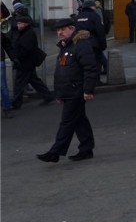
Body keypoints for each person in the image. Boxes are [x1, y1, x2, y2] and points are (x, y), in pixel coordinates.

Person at [36, 18, 99, 163]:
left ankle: (55, 152)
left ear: (71, 29)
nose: (59, 33)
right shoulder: (66, 46)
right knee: (79, 121)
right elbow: (61, 73)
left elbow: (90, 69)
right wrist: (59, 94)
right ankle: (86, 149)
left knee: (67, 122)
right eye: (58, 30)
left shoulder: (81, 45)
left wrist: (88, 90)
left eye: (63, 30)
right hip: (69, 91)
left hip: (76, 90)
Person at [9, 15, 54, 108]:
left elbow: (26, 49)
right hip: (27, 62)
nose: (17, 25)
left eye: (19, 23)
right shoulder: (25, 32)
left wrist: (17, 56)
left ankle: (16, 103)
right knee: (34, 81)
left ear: (25, 24)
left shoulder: (28, 33)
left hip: (25, 63)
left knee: (19, 83)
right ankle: (48, 96)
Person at [75, 0, 107, 77]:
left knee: (84, 63)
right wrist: (103, 45)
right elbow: (100, 31)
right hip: (93, 44)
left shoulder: (78, 17)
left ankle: (86, 80)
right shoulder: (94, 16)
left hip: (80, 44)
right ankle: (96, 81)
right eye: (94, 6)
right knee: (96, 63)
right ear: (91, 7)